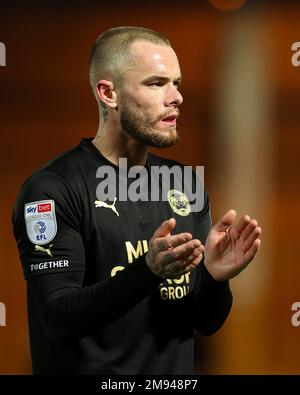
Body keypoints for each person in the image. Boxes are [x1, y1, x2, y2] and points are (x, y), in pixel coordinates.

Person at [12, 26, 261, 375]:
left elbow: (205, 322)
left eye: (177, 83)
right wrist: (147, 271)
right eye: (156, 83)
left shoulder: (183, 184)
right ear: (108, 94)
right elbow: (58, 319)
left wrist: (214, 278)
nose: (176, 97)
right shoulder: (53, 189)